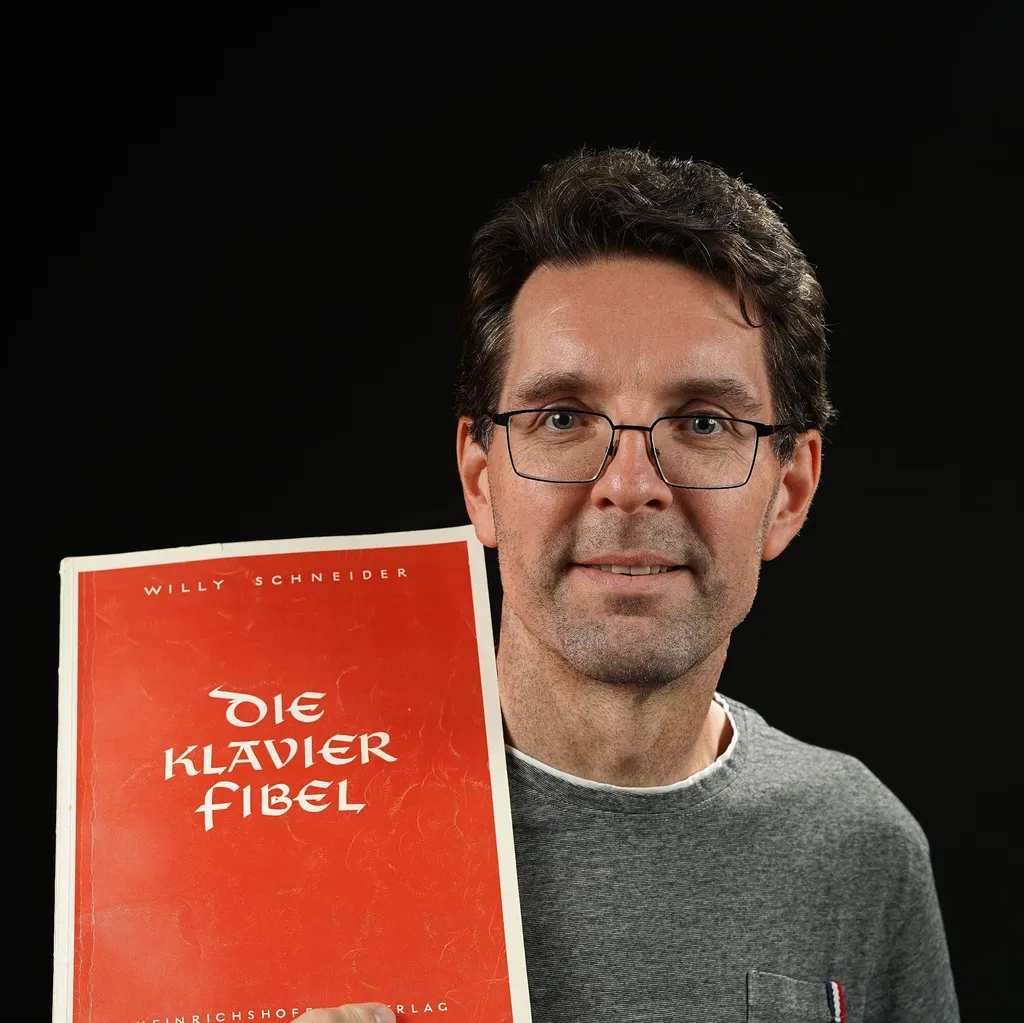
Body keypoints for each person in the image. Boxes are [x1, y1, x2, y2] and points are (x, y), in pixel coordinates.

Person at [298, 148, 959, 1022]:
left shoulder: (859, 852)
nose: (631, 483)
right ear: (480, 476)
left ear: (790, 489)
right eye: (563, 417)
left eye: (704, 421)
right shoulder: (301, 836)